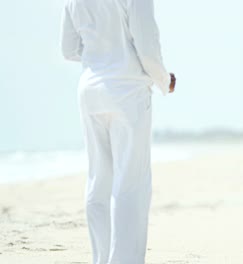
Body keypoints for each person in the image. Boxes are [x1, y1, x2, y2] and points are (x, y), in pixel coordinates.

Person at [60, 0, 176, 262]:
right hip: (128, 91)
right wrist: (164, 80)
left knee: (98, 180)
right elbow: (147, 48)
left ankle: (102, 259)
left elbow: (68, 49)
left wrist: (100, 56)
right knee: (130, 184)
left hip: (90, 90)